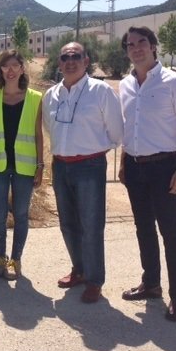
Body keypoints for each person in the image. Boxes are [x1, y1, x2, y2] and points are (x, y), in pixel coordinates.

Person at [118, 26, 176, 322]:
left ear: (154, 46)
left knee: (170, 231)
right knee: (143, 228)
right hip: (134, 165)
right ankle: (151, 284)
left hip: (164, 167)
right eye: (131, 44)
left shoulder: (174, 82)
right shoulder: (126, 85)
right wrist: (123, 161)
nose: (136, 48)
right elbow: (130, 127)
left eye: (142, 42)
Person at [42, 42, 123, 303]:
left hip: (90, 166)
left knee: (91, 225)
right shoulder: (51, 95)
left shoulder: (100, 91)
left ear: (86, 61)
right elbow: (48, 127)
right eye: (65, 57)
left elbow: (116, 131)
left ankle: (94, 279)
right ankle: (79, 269)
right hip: (60, 165)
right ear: (59, 63)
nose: (70, 61)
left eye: (76, 56)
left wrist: (93, 150)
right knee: (68, 223)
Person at [0, 50, 43, 280]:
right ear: (0, 70)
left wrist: (40, 165)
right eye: (6, 66)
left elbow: (37, 134)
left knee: (22, 214)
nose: (11, 70)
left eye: (16, 65)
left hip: (24, 167)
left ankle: (16, 259)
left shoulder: (35, 98)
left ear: (22, 69)